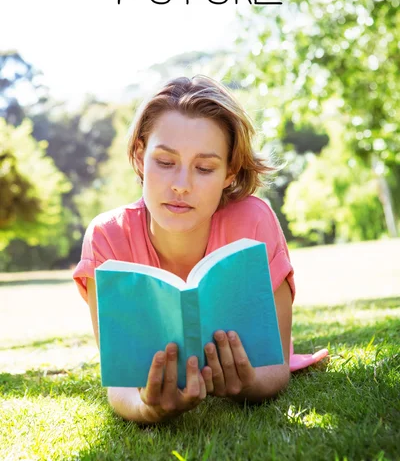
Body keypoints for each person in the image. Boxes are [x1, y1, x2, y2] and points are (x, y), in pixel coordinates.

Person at [73, 75, 327, 425]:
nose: (181, 186)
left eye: (205, 168)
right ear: (139, 156)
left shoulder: (254, 221)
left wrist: (250, 383)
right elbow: (120, 386)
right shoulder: (107, 236)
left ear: (229, 173)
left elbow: (276, 366)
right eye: (164, 162)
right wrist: (146, 407)